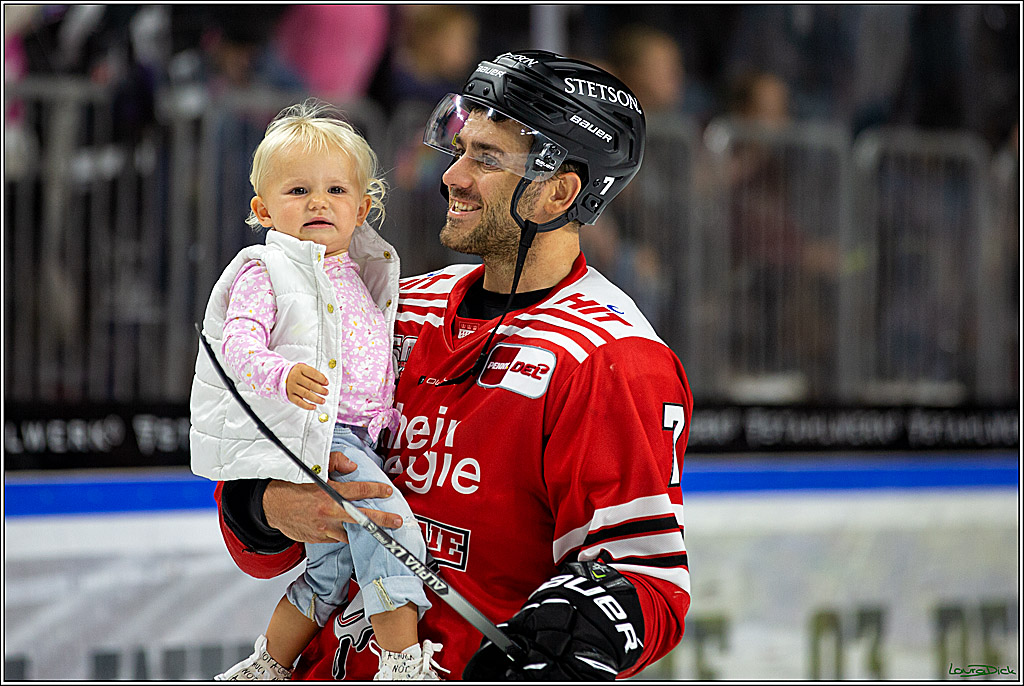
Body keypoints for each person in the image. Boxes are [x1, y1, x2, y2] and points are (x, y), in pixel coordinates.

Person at [213, 51, 692, 680]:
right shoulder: (395, 308)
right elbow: (255, 508)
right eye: (461, 149)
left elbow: (649, 584)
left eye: (487, 159)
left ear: (559, 191)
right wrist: (265, 505)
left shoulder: (609, 359)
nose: (452, 176)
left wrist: (580, 630)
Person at [190, 98, 443, 680]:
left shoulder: (366, 272)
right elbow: (236, 346)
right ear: (263, 209)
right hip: (321, 436)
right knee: (390, 530)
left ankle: (268, 664)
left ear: (363, 207)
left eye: (335, 190)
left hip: (360, 436)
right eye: (298, 191)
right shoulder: (266, 269)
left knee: (331, 571)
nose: (318, 203)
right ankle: (403, 663)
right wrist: (281, 374)